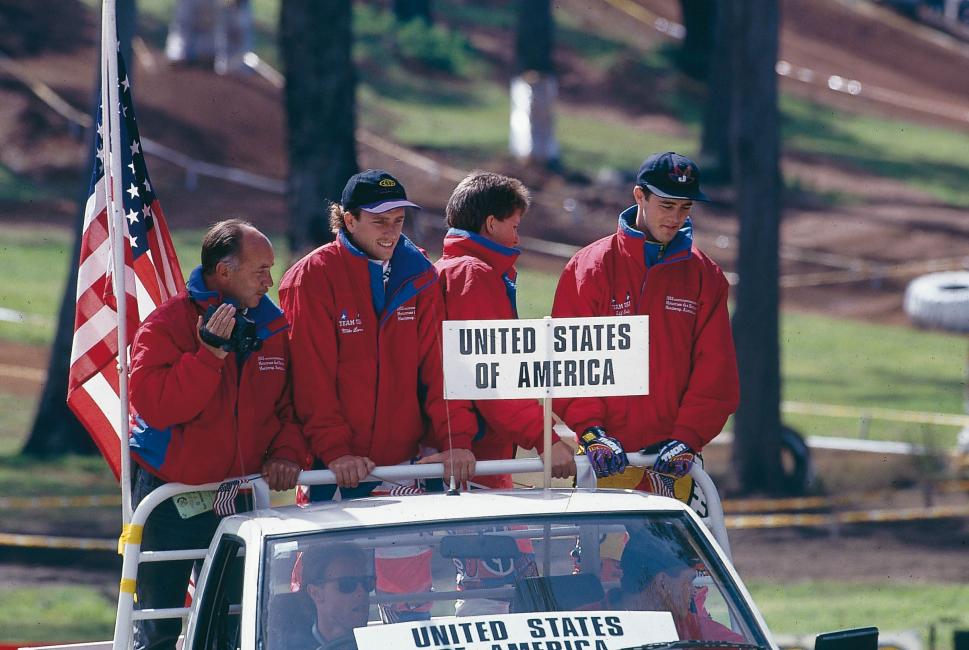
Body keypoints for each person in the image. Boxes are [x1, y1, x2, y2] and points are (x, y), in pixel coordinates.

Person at [128, 219, 308, 650]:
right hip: (169, 500)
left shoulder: (273, 327)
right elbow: (157, 407)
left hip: (238, 497)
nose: (270, 280)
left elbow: (291, 407)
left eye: (270, 268)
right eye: (259, 270)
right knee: (159, 626)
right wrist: (208, 355)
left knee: (236, 624)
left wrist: (284, 452)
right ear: (223, 272)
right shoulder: (167, 324)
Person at [279, 169, 478, 498]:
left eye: (398, 221)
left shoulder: (420, 275)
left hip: (409, 466)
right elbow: (311, 379)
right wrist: (336, 451)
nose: (391, 232)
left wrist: (455, 441)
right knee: (337, 553)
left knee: (424, 551)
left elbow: (440, 367)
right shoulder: (312, 277)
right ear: (349, 220)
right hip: (336, 469)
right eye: (380, 221)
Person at [551, 151, 739, 495]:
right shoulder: (589, 267)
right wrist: (592, 432)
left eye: (685, 208)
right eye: (666, 206)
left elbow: (716, 371)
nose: (676, 218)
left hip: (672, 459)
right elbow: (568, 363)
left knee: (668, 551)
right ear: (640, 196)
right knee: (601, 552)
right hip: (603, 455)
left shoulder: (705, 276)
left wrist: (687, 438)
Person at [434, 171, 576, 488]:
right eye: (514, 226)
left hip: (461, 446)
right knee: (507, 539)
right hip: (477, 458)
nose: (517, 239)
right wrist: (544, 439)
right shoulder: (474, 276)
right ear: (491, 224)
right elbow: (492, 373)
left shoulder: (448, 270)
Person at [614, 537, 745, 644]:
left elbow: (741, 645)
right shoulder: (690, 627)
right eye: (688, 582)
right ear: (663, 584)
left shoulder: (691, 625)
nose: (693, 591)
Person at [291, 544, 374, 650]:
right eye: (347, 584)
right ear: (315, 593)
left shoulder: (392, 642)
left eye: (366, 582)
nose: (361, 592)